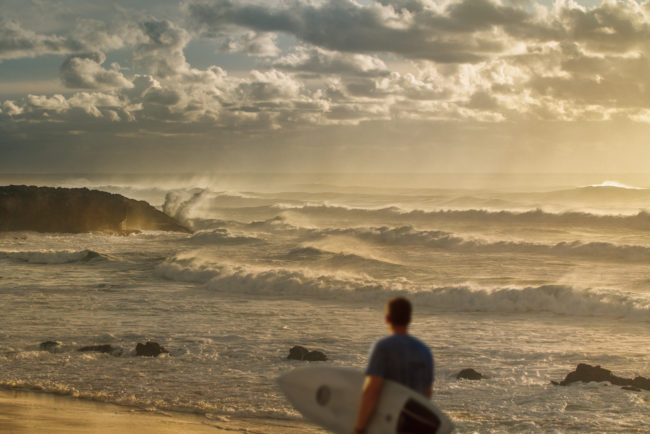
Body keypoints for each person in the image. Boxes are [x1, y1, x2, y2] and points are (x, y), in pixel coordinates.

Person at [351, 297, 434, 434]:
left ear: (387, 319)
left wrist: (359, 428)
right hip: (415, 425)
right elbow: (427, 392)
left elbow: (372, 390)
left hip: (388, 423)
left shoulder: (383, 347)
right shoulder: (424, 351)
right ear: (409, 320)